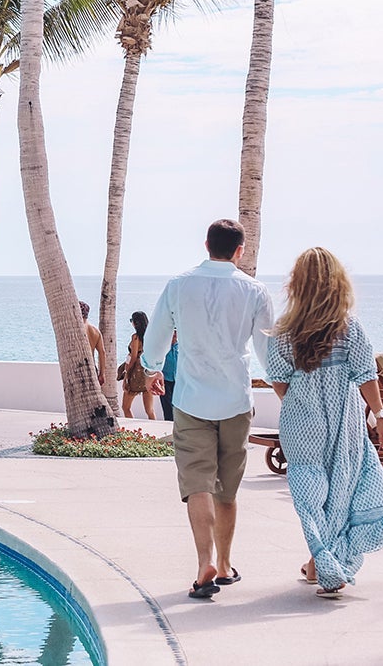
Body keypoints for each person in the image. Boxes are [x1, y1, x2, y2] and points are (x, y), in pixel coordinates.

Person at [142, 218, 275, 601]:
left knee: (197, 483)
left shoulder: (179, 285)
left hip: (191, 399)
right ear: (240, 250)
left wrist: (153, 368)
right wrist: (284, 385)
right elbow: (268, 351)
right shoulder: (255, 290)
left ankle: (205, 563)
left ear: (206, 245)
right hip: (235, 401)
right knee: (227, 489)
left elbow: (157, 335)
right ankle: (227, 563)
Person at [266, 247, 383, 598]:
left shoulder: (283, 331)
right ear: (336, 283)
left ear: (297, 284)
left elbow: (279, 380)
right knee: (341, 490)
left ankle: (317, 561)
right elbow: (367, 376)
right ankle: (328, 564)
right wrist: (381, 418)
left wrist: (300, 406)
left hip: (300, 425)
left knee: (311, 496)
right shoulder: (348, 328)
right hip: (344, 422)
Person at [121, 312, 156, 420]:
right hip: (148, 373)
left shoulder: (136, 338)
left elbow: (133, 357)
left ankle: (132, 432)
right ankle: (153, 433)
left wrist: (126, 375)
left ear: (136, 323)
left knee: (125, 407)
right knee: (150, 410)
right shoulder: (151, 336)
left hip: (136, 375)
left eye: (132, 321)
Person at [79, 301, 104, 373]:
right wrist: (102, 373)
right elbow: (102, 352)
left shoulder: (75, 330)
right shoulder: (95, 330)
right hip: (92, 367)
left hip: (79, 368)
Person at [161, 333, 179, 420]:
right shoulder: (163, 347)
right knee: (167, 407)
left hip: (178, 381)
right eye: (173, 333)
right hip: (165, 380)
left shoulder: (180, 346)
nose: (174, 335)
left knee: (177, 406)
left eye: (176, 333)